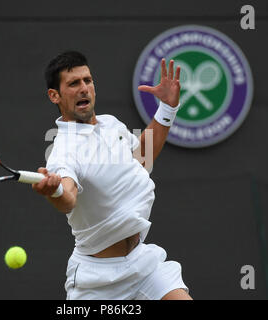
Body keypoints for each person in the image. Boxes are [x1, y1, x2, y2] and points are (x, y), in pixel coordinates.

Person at [32, 51, 192, 300]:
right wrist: (55, 192)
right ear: (55, 95)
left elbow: (142, 159)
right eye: (74, 83)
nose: (84, 88)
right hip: (97, 281)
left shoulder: (110, 124)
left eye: (88, 80)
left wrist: (167, 108)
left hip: (144, 263)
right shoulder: (63, 150)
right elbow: (68, 198)